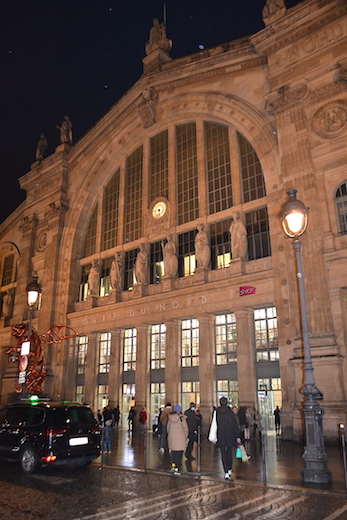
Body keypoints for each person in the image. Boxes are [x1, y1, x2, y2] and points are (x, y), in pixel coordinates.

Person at [215, 397, 241, 480]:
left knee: (223, 454)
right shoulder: (230, 413)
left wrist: (214, 437)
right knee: (229, 453)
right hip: (230, 435)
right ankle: (229, 468)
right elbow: (235, 426)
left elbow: (214, 425)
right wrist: (237, 436)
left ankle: (225, 471)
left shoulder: (217, 412)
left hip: (221, 435)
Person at [167, 404, 188, 474]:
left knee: (173, 452)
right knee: (179, 454)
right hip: (180, 438)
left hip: (172, 438)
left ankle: (173, 465)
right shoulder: (182, 418)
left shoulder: (170, 418)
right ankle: (176, 468)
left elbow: (168, 428)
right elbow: (185, 428)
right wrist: (185, 436)